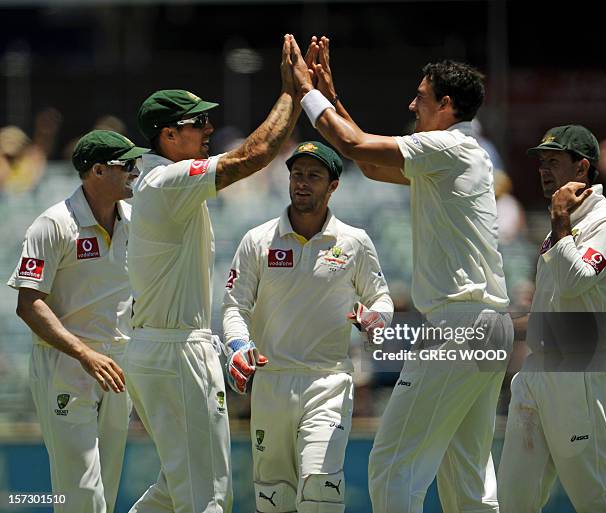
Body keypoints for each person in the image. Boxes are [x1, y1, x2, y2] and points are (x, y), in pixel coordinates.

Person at [288, 37, 514, 513]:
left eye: (421, 96)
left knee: (392, 466)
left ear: (446, 105)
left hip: (457, 328)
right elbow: (369, 164)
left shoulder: (448, 148)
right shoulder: (454, 156)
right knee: (468, 481)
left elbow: (353, 145)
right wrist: (331, 99)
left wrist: (305, 91)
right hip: (487, 325)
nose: (412, 104)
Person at [124, 34, 303, 513]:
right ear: (167, 134)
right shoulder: (166, 181)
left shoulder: (163, 184)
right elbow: (253, 155)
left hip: (164, 347)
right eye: (197, 121)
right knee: (208, 497)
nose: (209, 127)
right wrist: (293, 94)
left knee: (174, 489)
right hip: (175, 350)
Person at [222, 141, 393, 513]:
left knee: (320, 490)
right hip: (271, 382)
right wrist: (237, 345)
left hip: (328, 382)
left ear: (333, 186)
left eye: (313, 176)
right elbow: (235, 305)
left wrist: (375, 320)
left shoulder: (354, 242)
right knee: (274, 498)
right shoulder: (258, 240)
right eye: (297, 174)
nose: (302, 183)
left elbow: (382, 300)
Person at [7, 130, 148, 513]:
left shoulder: (136, 221)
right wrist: (84, 354)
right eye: (127, 165)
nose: (136, 171)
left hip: (118, 365)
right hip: (67, 365)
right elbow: (28, 304)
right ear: (97, 171)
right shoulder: (52, 224)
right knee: (81, 490)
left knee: (107, 484)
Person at [498, 125, 606, 513]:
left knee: (596, 500)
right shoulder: (556, 227)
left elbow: (575, 282)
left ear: (582, 168)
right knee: (514, 502)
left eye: (554, 162)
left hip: (580, 372)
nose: (544, 170)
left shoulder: (605, 224)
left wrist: (561, 220)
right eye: (541, 162)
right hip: (535, 373)